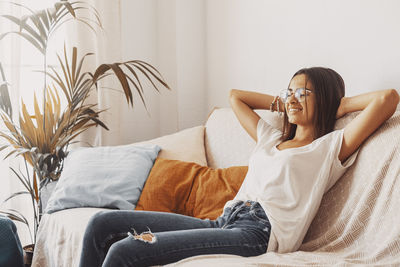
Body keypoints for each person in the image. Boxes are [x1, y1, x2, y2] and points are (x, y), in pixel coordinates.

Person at [79, 67, 399, 267]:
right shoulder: (269, 138)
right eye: (289, 91)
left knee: (124, 252)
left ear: (326, 100)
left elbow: (387, 98)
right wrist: (279, 102)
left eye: (304, 92)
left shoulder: (328, 148)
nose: (293, 98)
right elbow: (235, 97)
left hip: (256, 233)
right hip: (225, 219)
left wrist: (339, 104)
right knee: (101, 224)